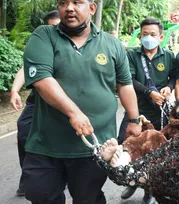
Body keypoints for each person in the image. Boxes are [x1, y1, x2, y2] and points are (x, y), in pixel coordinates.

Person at [22, 1, 141, 204]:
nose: (69, 7)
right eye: (63, 3)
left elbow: (125, 85)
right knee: (39, 194)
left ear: (92, 8)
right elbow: (42, 80)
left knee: (88, 197)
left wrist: (134, 119)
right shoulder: (44, 35)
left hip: (95, 145)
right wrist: (73, 113)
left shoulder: (111, 44)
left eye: (77, 2)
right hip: (47, 142)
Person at [117, 17, 175, 204]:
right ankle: (132, 181)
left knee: (154, 150)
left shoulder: (168, 56)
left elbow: (174, 78)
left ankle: (149, 188)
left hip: (159, 112)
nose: (148, 37)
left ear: (160, 36)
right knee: (127, 144)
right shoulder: (132, 55)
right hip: (136, 109)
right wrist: (149, 92)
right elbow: (129, 80)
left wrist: (168, 88)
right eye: (144, 34)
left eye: (152, 34)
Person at [9, 10, 60, 197]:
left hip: (65, 102)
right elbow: (25, 67)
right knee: (23, 132)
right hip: (37, 99)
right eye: (51, 27)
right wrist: (15, 90)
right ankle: (28, 177)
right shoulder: (41, 44)